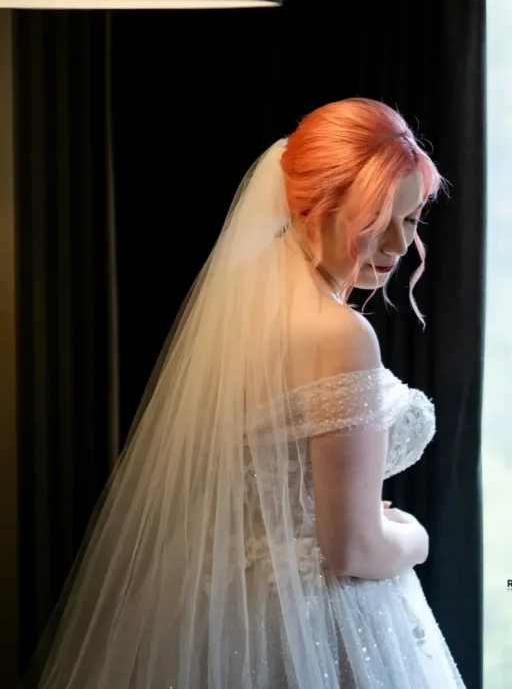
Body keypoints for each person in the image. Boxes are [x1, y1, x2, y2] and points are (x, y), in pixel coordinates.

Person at [28, 97, 466, 688]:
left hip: (216, 608)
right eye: (377, 217)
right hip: (317, 619)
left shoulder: (238, 318)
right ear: (314, 207)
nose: (394, 245)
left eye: (409, 220)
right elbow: (352, 551)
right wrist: (415, 536)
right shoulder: (340, 334)